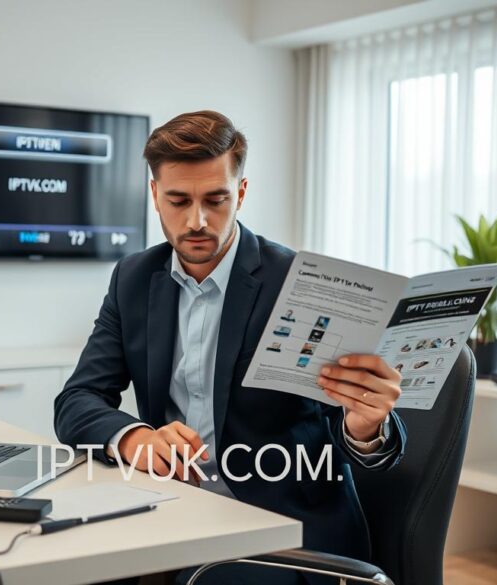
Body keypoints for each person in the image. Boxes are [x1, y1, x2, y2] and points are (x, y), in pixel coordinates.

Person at [54, 111, 406, 585]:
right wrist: (137, 438)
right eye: (178, 200)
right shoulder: (134, 279)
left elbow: (347, 434)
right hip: (173, 510)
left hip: (282, 531)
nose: (197, 221)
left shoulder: (300, 283)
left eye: (216, 200)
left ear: (240, 193)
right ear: (154, 195)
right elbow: (76, 401)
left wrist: (366, 427)